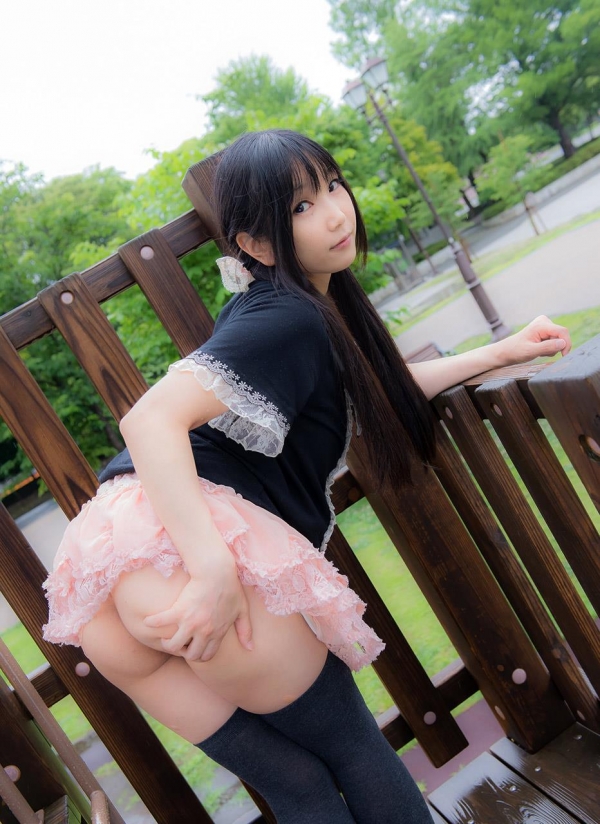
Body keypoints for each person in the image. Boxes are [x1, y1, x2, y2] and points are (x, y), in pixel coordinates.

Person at [42, 129, 571, 823]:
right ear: (255, 245)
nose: (334, 212)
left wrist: (497, 352)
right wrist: (213, 570)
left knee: (298, 785)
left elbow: (370, 388)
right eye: (300, 207)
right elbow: (148, 421)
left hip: (109, 579)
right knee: (353, 748)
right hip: (186, 561)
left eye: (331, 186)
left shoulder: (282, 311)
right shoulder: (289, 316)